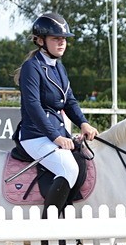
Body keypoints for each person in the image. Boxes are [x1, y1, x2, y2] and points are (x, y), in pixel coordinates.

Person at [14, 12, 98, 232]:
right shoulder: (31, 67)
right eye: (56, 38)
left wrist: (83, 123)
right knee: (68, 168)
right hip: (36, 136)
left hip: (56, 134)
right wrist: (56, 137)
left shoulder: (59, 66)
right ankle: (47, 229)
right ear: (41, 41)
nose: (62, 42)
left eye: (64, 39)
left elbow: (69, 101)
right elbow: (33, 107)